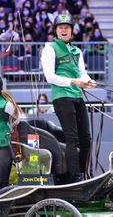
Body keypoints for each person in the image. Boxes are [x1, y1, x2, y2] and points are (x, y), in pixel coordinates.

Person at [40, 13, 96, 183]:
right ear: (55, 31)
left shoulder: (76, 50)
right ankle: (75, 177)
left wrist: (88, 81)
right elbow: (50, 76)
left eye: (67, 27)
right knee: (72, 139)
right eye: (60, 27)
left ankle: (86, 173)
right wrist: (73, 81)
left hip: (77, 95)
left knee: (86, 138)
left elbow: (82, 73)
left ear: (72, 31)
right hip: (62, 97)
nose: (64, 30)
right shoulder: (50, 49)